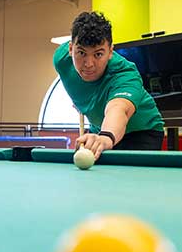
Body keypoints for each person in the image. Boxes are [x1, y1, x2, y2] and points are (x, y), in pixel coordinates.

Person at [53, 12, 165, 158]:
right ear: (70, 49)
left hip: (141, 132)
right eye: (81, 53)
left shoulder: (125, 74)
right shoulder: (61, 60)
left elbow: (118, 109)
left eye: (98, 54)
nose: (88, 64)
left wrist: (106, 137)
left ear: (110, 51)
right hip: (98, 131)